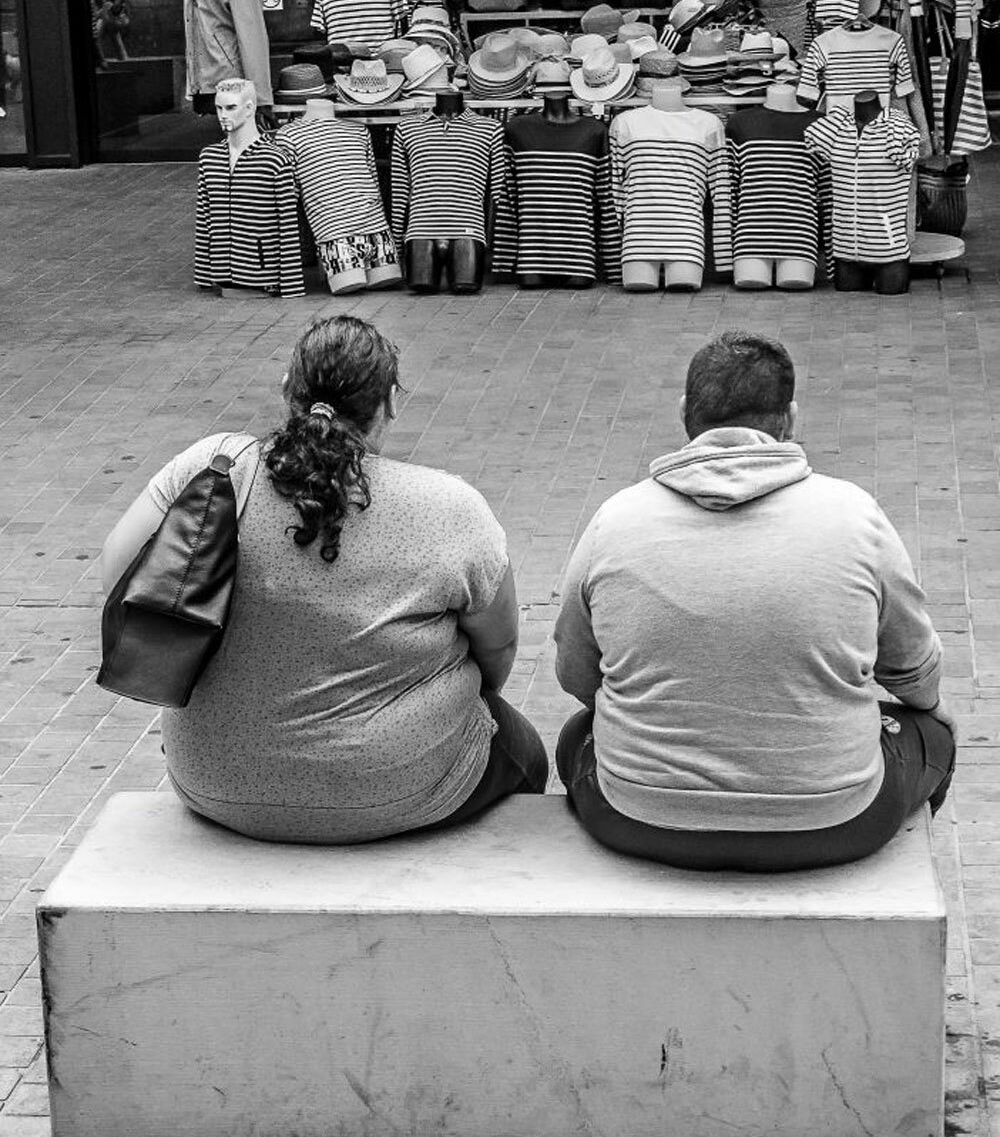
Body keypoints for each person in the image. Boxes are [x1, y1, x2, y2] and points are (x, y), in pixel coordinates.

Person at [101, 316, 547, 843]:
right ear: (389, 403)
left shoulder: (217, 466)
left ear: (286, 389)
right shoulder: (451, 507)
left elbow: (118, 573)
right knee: (528, 755)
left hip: (212, 781)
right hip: (400, 786)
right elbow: (499, 646)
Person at [554, 330, 955, 873]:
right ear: (789, 420)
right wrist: (928, 706)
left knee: (577, 736)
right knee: (933, 735)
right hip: (836, 824)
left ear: (684, 414)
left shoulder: (614, 519)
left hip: (635, 817)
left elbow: (576, 675)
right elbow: (911, 670)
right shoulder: (856, 515)